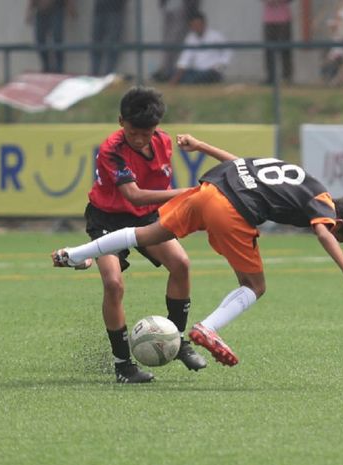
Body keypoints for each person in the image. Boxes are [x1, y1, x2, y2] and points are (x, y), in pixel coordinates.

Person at [52, 135, 343, 367]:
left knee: (144, 234)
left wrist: (200, 146)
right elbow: (323, 234)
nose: (333, 233)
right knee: (255, 286)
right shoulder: (323, 205)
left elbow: (240, 163)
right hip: (232, 208)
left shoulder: (304, 178)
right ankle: (208, 328)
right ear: (340, 223)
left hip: (209, 190)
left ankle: (77, 252)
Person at [76, 86, 207, 384]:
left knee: (182, 265)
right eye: (134, 131)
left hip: (146, 217)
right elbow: (133, 195)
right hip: (107, 218)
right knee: (113, 284)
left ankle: (178, 341)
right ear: (121, 121)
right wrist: (191, 193)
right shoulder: (111, 150)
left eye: (146, 133)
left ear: (156, 128)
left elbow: (148, 200)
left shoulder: (162, 143)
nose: (139, 138)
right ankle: (123, 365)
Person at [169, 12, 232, 85]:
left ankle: (189, 82)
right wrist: (177, 76)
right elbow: (184, 58)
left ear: (204, 24)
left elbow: (228, 51)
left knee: (200, 77)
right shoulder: (190, 38)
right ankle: (188, 81)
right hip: (196, 71)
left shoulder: (216, 36)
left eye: (198, 25)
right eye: (194, 25)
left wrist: (219, 66)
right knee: (172, 72)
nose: (196, 27)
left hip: (211, 71)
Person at [153, 0, 202, 82]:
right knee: (169, 40)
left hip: (184, 9)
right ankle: (167, 72)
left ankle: (170, 72)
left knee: (176, 38)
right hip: (170, 6)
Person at [26, 0, 76, 73]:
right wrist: (29, 10)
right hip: (41, 9)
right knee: (40, 40)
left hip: (56, 7)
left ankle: (59, 68)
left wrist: (70, 6)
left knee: (57, 39)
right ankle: (46, 66)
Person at [90, 0, 128, 76]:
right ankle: (95, 74)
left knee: (113, 44)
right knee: (97, 43)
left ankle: (109, 75)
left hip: (116, 9)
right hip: (100, 8)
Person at [261, 0, 293, 84]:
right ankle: (271, 76)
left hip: (283, 19)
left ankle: (287, 77)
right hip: (269, 20)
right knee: (269, 49)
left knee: (285, 49)